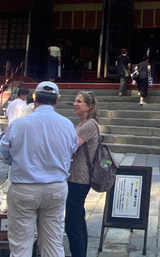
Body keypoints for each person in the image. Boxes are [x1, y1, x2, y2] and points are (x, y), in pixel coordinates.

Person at [0, 81, 78, 257]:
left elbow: (4, 151)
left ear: (34, 99)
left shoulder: (19, 124)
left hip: (24, 186)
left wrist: (16, 162)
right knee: (53, 243)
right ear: (56, 101)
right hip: (55, 186)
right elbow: (72, 151)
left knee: (20, 246)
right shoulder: (67, 125)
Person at [65, 91, 100, 257]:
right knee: (77, 219)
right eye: (75, 100)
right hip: (74, 176)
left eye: (79, 101)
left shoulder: (89, 125)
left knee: (72, 223)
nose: (75, 104)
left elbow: (71, 146)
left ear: (89, 106)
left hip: (79, 178)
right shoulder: (81, 125)